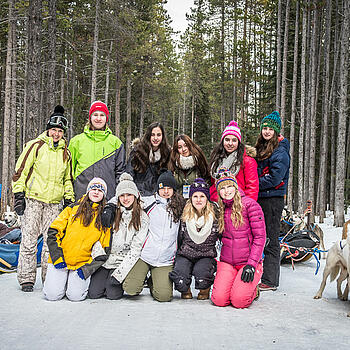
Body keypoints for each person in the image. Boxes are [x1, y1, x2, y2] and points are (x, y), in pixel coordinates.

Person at [12, 105, 75, 292]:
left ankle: (48, 277)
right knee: (29, 239)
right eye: (54, 129)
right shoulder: (35, 146)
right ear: (48, 129)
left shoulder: (66, 153)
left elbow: (67, 179)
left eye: (60, 131)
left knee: (50, 242)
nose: (56, 134)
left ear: (63, 134)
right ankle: (26, 278)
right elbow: (20, 170)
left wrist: (69, 199)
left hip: (54, 204)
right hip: (33, 199)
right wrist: (18, 195)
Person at [43, 178, 110, 302]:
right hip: (61, 259)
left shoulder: (104, 216)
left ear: (104, 195)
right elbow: (53, 231)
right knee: (52, 295)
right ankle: (60, 282)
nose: (96, 192)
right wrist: (57, 257)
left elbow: (104, 250)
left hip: (82, 264)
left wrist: (87, 269)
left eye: (100, 190)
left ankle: (71, 283)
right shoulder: (72, 208)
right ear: (88, 191)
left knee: (76, 297)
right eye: (93, 189)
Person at [123, 170, 185, 302]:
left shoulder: (180, 206)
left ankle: (153, 281)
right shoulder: (148, 202)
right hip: (145, 255)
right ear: (158, 188)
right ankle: (142, 276)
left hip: (165, 259)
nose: (166, 191)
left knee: (164, 296)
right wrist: (110, 207)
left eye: (169, 188)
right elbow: (127, 200)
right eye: (163, 188)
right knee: (130, 288)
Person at [88, 173, 149, 300]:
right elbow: (97, 236)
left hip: (123, 262)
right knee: (94, 293)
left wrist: (120, 274)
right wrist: (99, 255)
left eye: (129, 195)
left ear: (136, 195)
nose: (125, 198)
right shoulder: (111, 212)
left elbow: (136, 249)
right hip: (106, 260)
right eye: (122, 195)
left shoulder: (142, 218)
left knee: (112, 295)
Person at [211, 167, 266, 308]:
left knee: (239, 301)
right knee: (219, 300)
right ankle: (235, 283)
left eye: (230, 186)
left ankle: (253, 290)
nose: (227, 191)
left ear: (235, 187)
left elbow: (260, 237)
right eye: (222, 188)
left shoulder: (250, 205)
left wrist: (252, 264)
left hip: (247, 262)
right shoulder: (220, 209)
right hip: (228, 261)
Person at [255, 111, 290, 291]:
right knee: (259, 236)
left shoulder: (281, 151)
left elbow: (275, 179)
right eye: (265, 128)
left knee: (270, 238)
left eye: (270, 129)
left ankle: (270, 280)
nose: (267, 131)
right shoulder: (263, 147)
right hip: (262, 197)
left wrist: (253, 184)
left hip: (273, 200)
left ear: (277, 131)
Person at [169, 178, 219, 300]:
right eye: (195, 196)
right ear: (191, 198)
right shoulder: (184, 215)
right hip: (186, 253)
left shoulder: (215, 214)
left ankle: (204, 288)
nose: (198, 199)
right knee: (180, 276)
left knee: (202, 275)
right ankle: (185, 289)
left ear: (207, 198)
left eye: (202, 196)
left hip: (205, 254)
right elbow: (180, 237)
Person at [69, 101, 125, 200]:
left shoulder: (116, 143)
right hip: (81, 197)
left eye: (102, 115)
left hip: (108, 199)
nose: (98, 118)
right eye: (95, 115)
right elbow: (68, 172)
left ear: (106, 118)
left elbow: (120, 173)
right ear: (90, 117)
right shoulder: (76, 141)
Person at [209, 120, 259, 202]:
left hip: (238, 205)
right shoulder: (216, 159)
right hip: (217, 204)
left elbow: (252, 188)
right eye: (227, 140)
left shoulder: (247, 161)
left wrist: (245, 207)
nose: (230, 143)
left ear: (238, 143)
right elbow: (213, 184)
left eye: (234, 140)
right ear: (223, 141)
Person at [126, 122, 171, 196]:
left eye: (158, 135)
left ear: (162, 136)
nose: (155, 138)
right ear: (148, 135)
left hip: (159, 195)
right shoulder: (137, 151)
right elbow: (129, 174)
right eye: (152, 135)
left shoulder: (167, 153)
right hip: (140, 194)